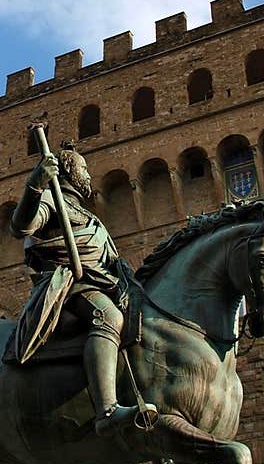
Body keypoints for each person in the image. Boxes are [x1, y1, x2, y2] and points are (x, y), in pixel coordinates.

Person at [10, 140, 156, 436]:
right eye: (84, 168)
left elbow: (110, 261)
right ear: (68, 170)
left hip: (100, 283)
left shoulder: (89, 217)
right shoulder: (52, 199)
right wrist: (34, 186)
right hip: (68, 285)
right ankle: (107, 411)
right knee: (109, 318)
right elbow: (21, 226)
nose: (89, 175)